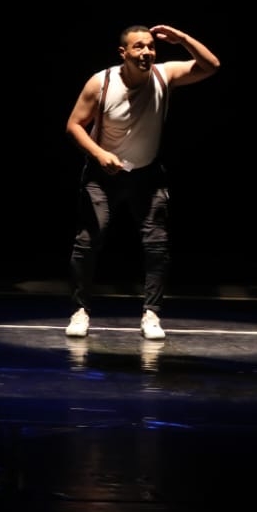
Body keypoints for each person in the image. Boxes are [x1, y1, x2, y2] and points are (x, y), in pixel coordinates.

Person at [64, 23, 221, 340]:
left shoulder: (164, 75)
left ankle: (152, 313)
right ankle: (80, 310)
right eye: (139, 47)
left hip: (147, 175)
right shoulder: (101, 83)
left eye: (150, 46)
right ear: (123, 53)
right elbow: (74, 125)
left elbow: (211, 65)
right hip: (103, 175)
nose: (147, 52)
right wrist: (99, 154)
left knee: (156, 245)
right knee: (89, 241)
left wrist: (183, 39)